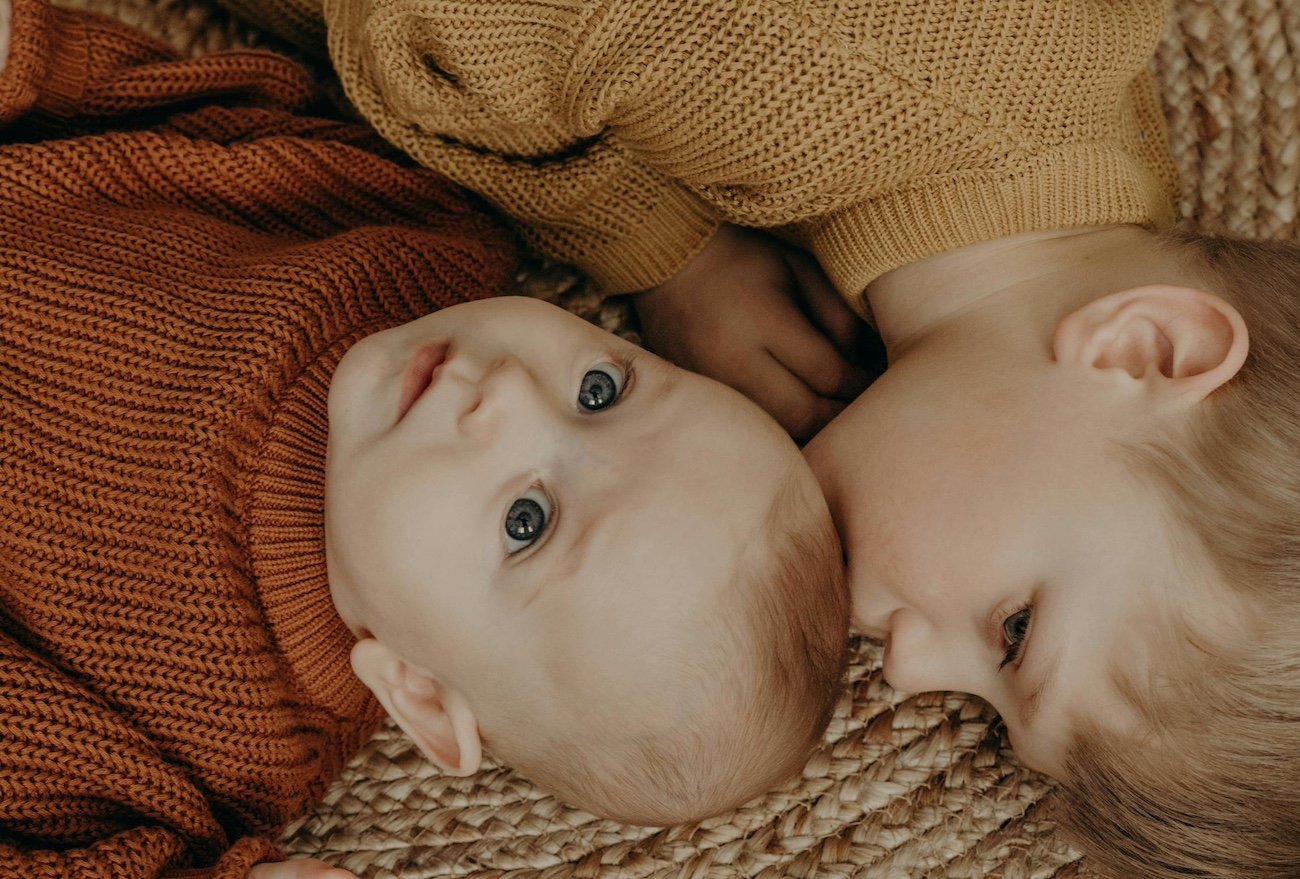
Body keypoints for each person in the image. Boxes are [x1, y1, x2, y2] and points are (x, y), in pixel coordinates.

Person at [305, 0, 1299, 876]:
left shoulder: (1046, 196)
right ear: (1148, 348)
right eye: (1013, 634)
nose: (907, 672)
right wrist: (654, 245)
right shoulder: (855, 58)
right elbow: (432, 27)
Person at [0, 3, 851, 877]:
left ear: (420, 694)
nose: (511, 392)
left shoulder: (227, 731)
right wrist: (29, 57)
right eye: (601, 389)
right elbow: (183, 124)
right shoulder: (423, 243)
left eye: (528, 520)